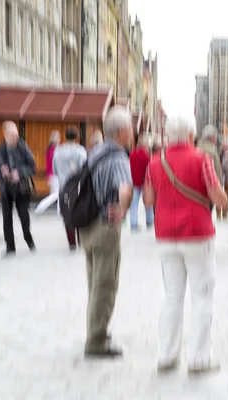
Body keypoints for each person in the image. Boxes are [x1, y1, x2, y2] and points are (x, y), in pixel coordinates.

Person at [143, 116, 228, 374]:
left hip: (166, 235)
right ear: (191, 134)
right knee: (202, 296)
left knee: (172, 297)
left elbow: (148, 200)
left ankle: (167, 355)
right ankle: (199, 358)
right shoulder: (201, 158)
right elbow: (219, 199)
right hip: (197, 233)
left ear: (168, 135)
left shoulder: (155, 161)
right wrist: (224, 194)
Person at [80, 106, 133, 359]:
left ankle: (95, 329)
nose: (132, 133)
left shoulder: (95, 152)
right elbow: (125, 189)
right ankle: (96, 341)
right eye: (131, 129)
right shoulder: (118, 156)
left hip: (87, 224)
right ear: (122, 132)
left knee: (94, 282)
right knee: (105, 284)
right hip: (104, 226)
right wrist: (122, 211)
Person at [0, 121, 36, 257]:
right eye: (12, 134)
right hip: (6, 188)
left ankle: (28, 238)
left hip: (22, 188)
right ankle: (10, 246)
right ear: (5, 134)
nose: (15, 137)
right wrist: (1, 171)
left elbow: (32, 167)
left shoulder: (23, 148)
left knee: (24, 215)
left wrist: (20, 172)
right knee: (6, 217)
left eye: (16, 134)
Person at [52, 126, 87, 250]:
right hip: (77, 186)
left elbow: (55, 169)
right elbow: (85, 168)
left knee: (67, 214)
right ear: (76, 137)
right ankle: (81, 240)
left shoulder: (57, 151)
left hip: (63, 186)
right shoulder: (80, 151)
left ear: (65, 136)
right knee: (80, 212)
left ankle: (71, 242)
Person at [128, 135, 154, 231]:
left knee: (134, 204)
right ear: (145, 144)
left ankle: (133, 224)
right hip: (145, 182)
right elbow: (150, 170)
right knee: (148, 202)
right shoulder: (147, 156)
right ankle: (149, 221)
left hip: (134, 182)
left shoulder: (131, 154)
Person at [197, 125, 223, 213]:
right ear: (211, 137)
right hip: (207, 191)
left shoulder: (197, 147)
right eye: (216, 137)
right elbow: (215, 172)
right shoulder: (211, 151)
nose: (216, 139)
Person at [34, 131, 61, 214]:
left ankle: (60, 211)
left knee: (57, 193)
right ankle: (40, 207)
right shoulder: (57, 149)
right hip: (56, 174)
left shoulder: (49, 149)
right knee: (56, 194)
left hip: (50, 174)